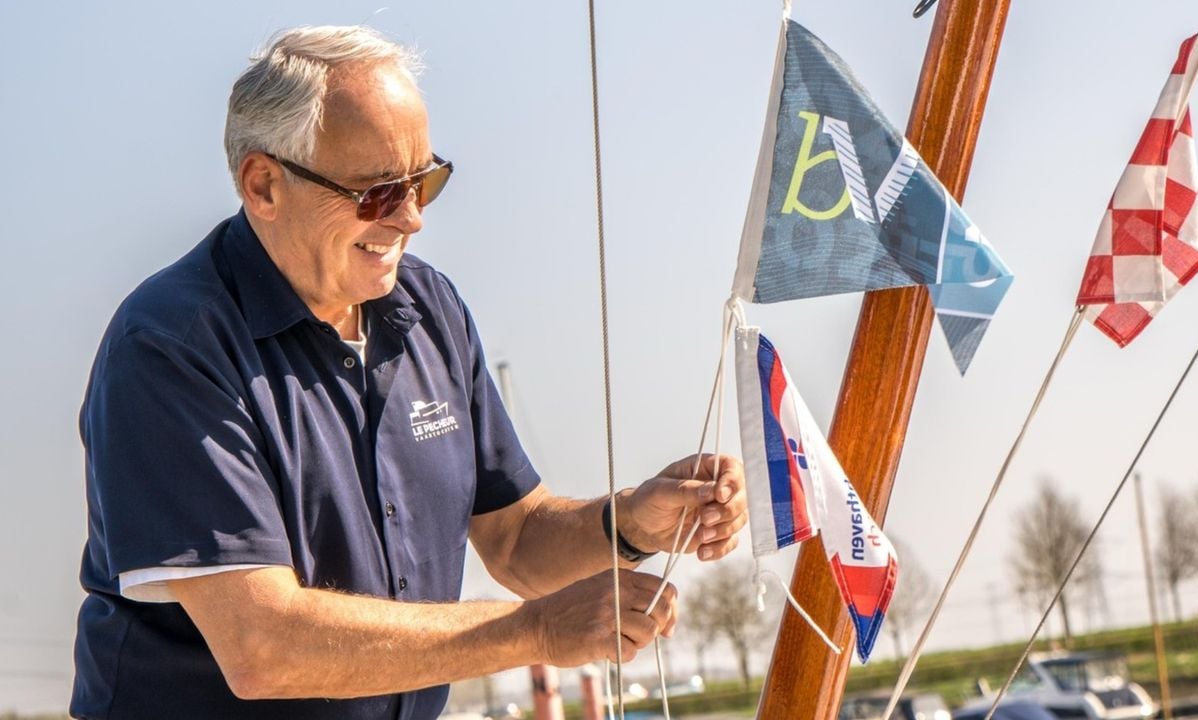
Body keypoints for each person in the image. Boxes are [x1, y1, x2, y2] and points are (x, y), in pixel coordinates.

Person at [71, 25, 747, 720]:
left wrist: (632, 522)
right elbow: (261, 643)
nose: (413, 218)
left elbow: (516, 540)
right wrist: (534, 631)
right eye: (376, 192)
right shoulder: (168, 347)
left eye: (425, 180)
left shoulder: (431, 308)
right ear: (264, 184)